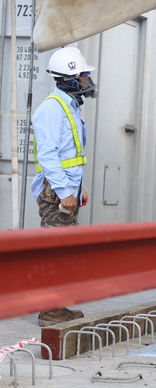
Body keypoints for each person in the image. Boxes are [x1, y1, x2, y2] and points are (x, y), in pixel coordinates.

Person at [31, 46, 97, 326]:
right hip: (56, 190)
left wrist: (77, 187)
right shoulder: (51, 108)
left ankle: (56, 306)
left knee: (64, 250)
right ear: (69, 78)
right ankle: (50, 312)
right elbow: (48, 155)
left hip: (66, 187)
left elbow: (71, 155)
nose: (87, 81)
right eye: (82, 75)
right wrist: (64, 191)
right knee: (55, 251)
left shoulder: (68, 106)